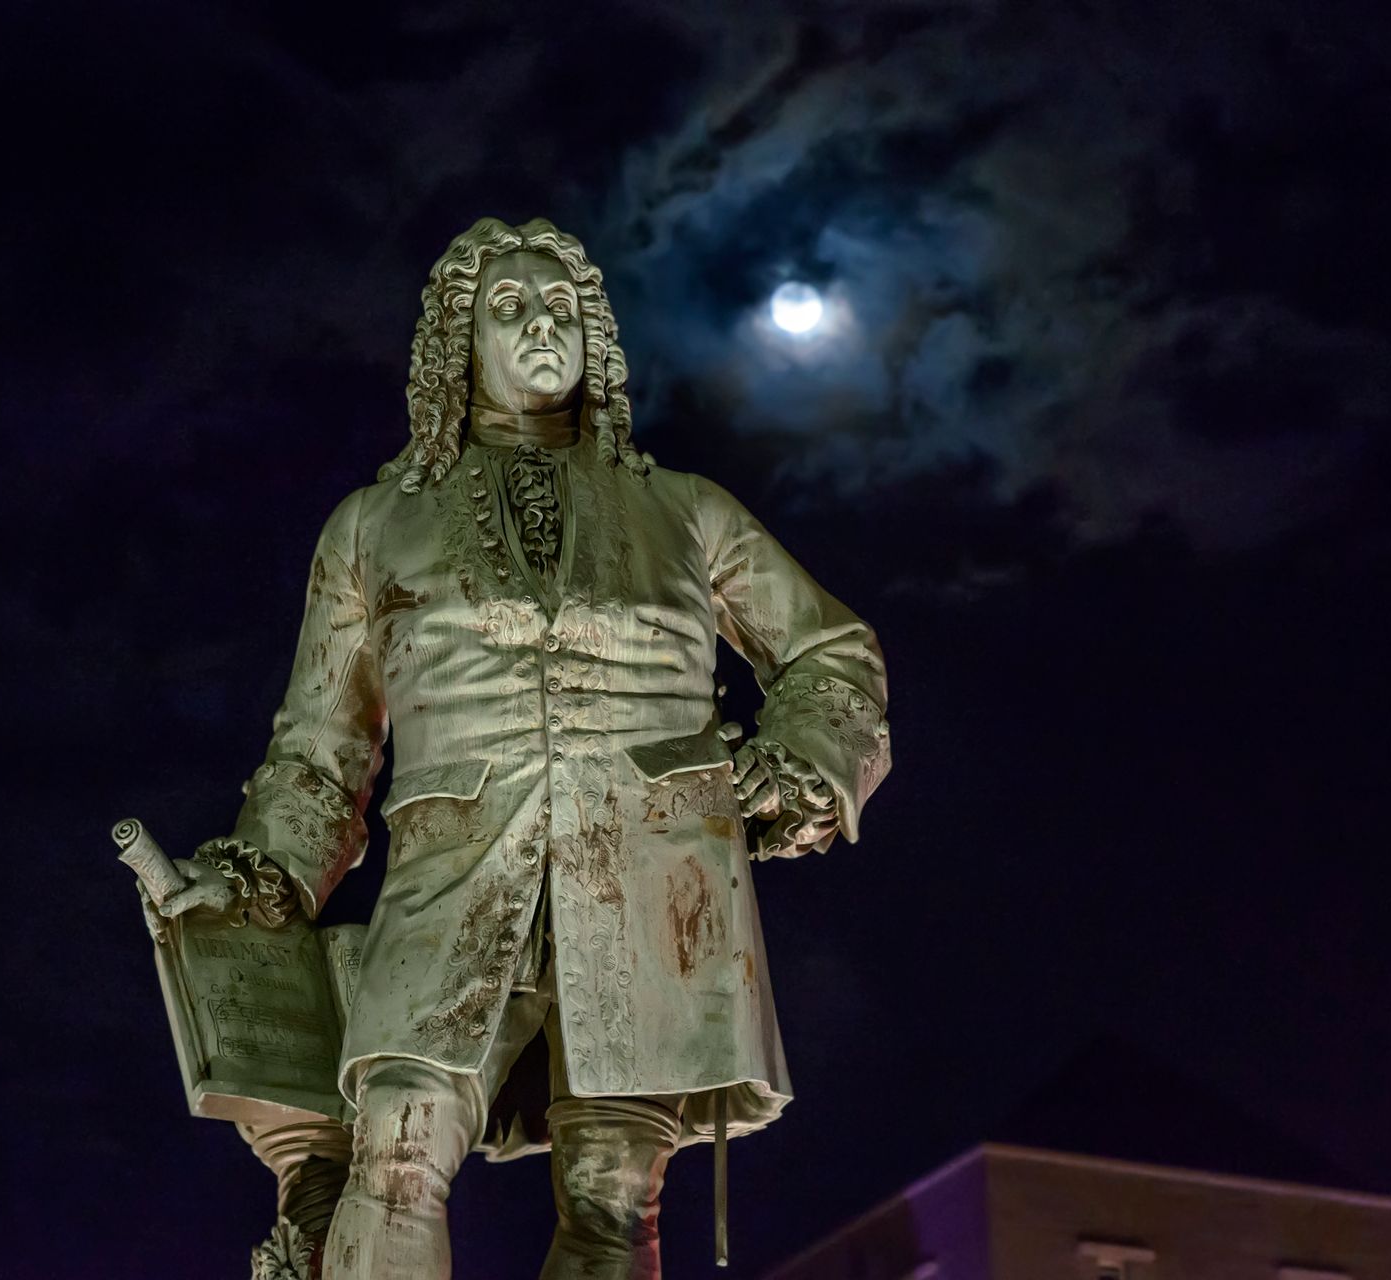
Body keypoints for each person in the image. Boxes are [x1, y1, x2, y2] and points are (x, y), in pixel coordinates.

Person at [159, 216, 892, 1279]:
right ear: (459, 344)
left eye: (562, 307)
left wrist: (794, 765)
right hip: (454, 872)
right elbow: (320, 749)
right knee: (398, 1140)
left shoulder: (687, 512)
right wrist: (256, 882)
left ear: (596, 337)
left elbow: (836, 653)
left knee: (611, 1196)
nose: (541, 322)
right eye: (510, 306)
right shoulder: (373, 527)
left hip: (652, 881)